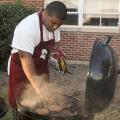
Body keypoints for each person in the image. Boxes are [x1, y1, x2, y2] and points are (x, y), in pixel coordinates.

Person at [7, 1, 67, 119]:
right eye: (53, 23)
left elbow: (54, 45)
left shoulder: (55, 26)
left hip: (41, 67)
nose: (55, 27)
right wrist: (39, 87)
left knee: (44, 100)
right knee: (21, 102)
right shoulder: (27, 26)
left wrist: (59, 57)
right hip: (21, 68)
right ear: (45, 13)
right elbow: (24, 57)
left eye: (58, 25)